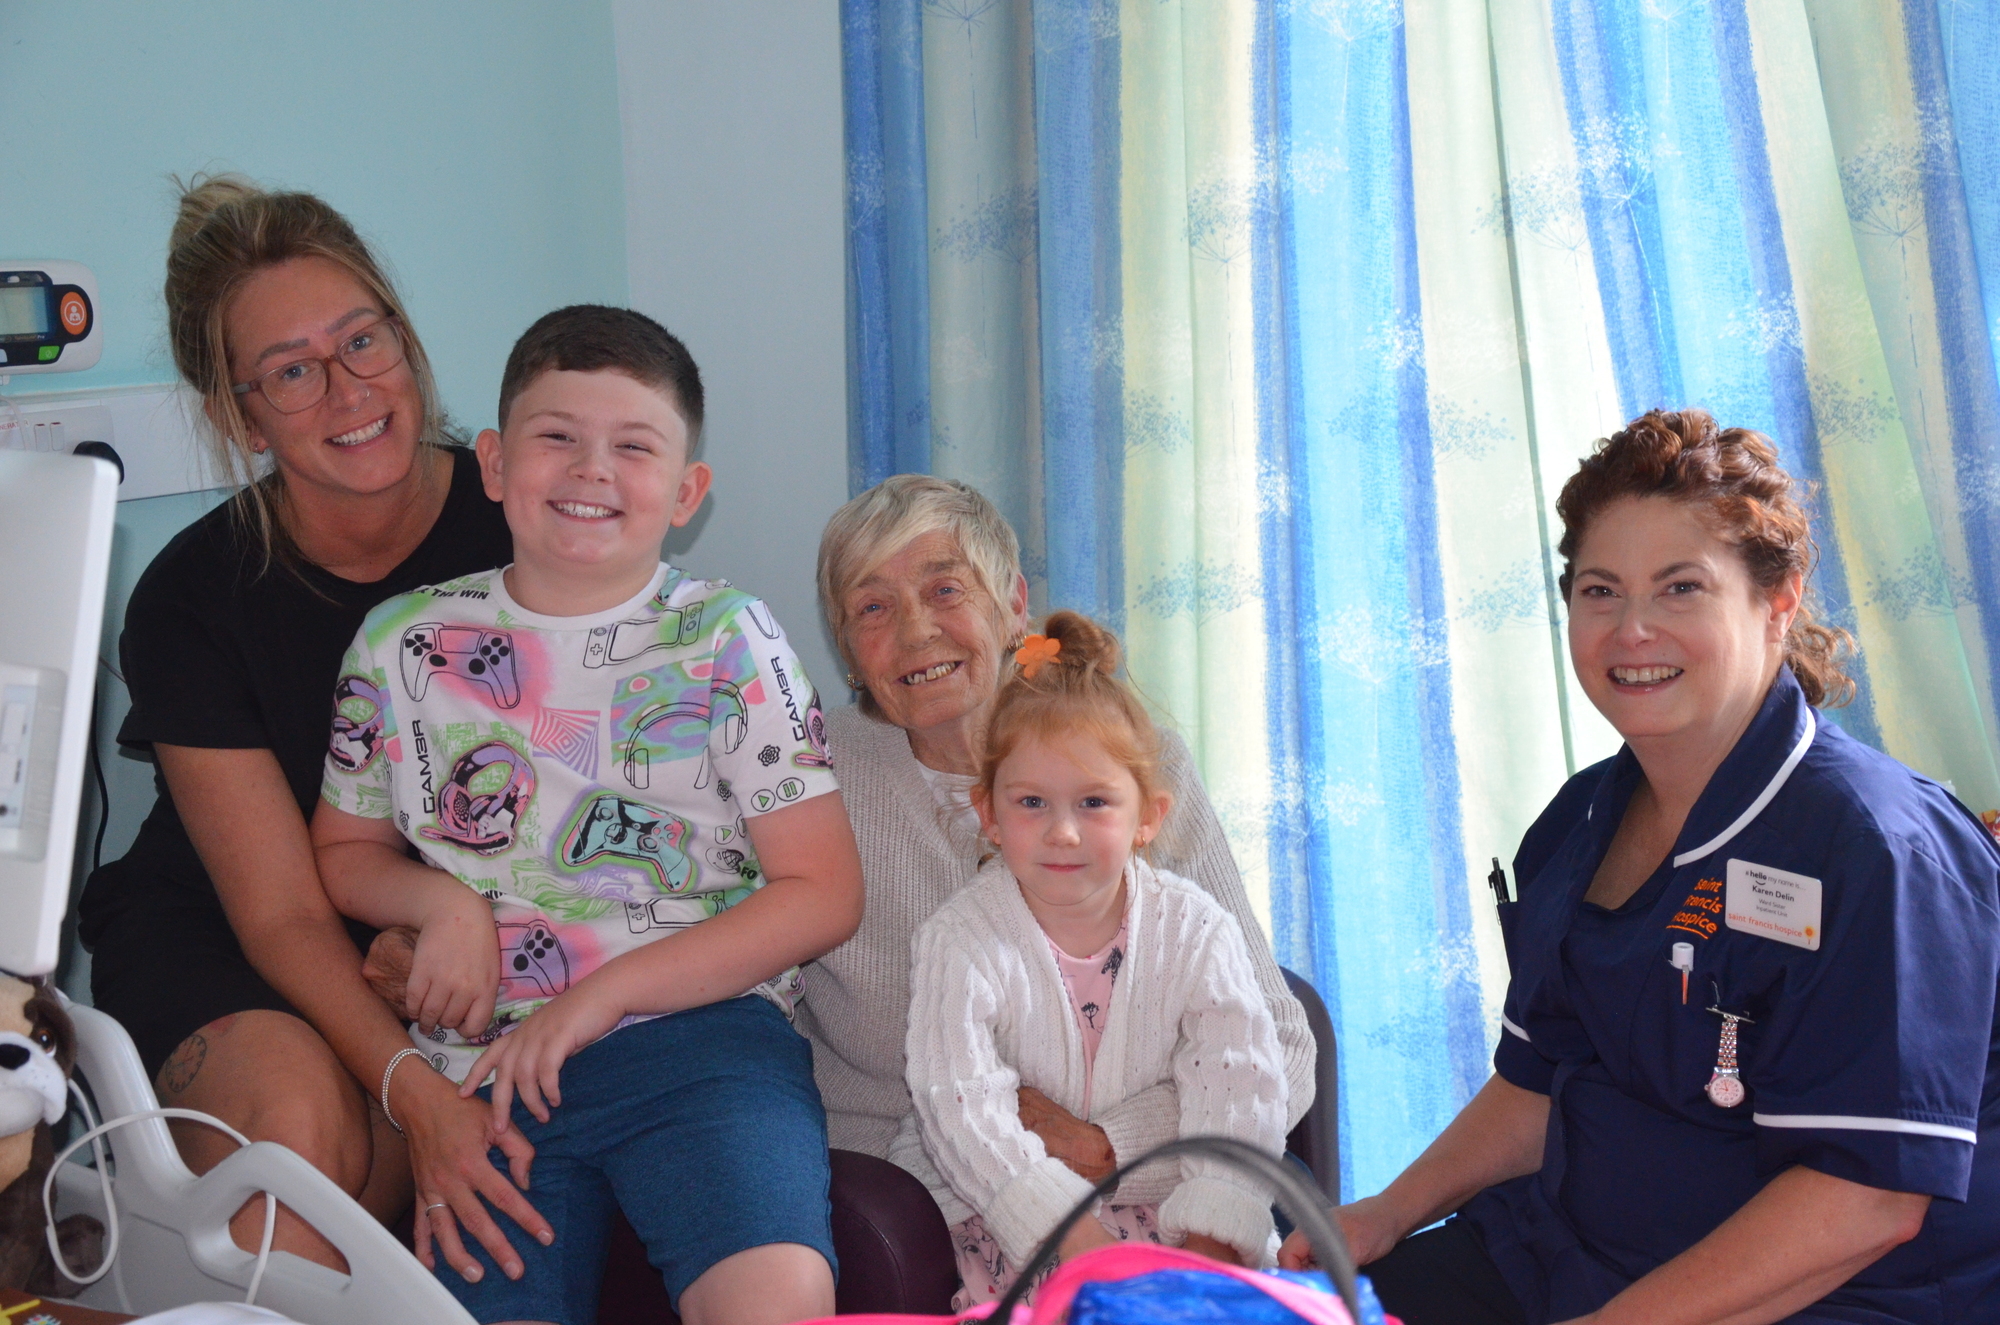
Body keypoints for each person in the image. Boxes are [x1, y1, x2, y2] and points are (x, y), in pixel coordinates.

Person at [1281, 409, 2000, 1324]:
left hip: (1826, 1296)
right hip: (1559, 1254)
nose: (1633, 629)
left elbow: (1868, 1201)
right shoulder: (1581, 818)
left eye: (1680, 588)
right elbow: (1542, 1081)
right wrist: (1386, 1211)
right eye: (1600, 591)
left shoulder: (1877, 849)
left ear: (1776, 605)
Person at [312, 305, 862, 1325]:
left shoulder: (726, 638)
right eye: (556, 435)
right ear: (492, 460)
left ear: (686, 491)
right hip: (488, 1075)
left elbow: (822, 892)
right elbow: (343, 851)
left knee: (775, 1301)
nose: (590, 469)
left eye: (633, 446)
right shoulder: (401, 643)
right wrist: (442, 905)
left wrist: (599, 999)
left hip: (701, 1040)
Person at [75, 175, 538, 1271]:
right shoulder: (195, 598)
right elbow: (281, 914)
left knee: (445, 1163)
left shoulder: (524, 514)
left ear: (405, 336)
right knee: (296, 1142)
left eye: (362, 340)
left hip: (441, 940)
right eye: (291, 371)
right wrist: (416, 1091)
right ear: (240, 414)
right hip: (231, 931)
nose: (347, 390)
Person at [801, 475, 1315, 1199]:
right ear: (849, 650)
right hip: (920, 1203)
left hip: (1150, 1186)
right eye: (873, 607)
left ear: (1013, 603)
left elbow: (1280, 1049)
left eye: (946, 589)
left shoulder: (1135, 762)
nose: (916, 630)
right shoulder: (807, 780)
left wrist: (1109, 1146)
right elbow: (758, 1026)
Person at [899, 612, 1289, 1308]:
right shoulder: (958, 940)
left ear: (1149, 815)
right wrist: (1081, 1248)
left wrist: (1203, 1256)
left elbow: (1238, 1092)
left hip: (1172, 1220)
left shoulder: (1197, 931)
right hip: (1018, 1228)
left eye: (1094, 801)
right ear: (987, 812)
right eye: (1031, 802)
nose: (1064, 830)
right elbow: (960, 1111)